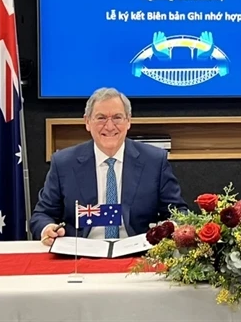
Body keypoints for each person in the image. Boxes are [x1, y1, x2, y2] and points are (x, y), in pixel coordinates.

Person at [30, 87, 188, 245]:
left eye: (117, 117)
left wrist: (167, 229)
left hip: (137, 252)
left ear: (128, 121)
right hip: (80, 252)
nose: (110, 126)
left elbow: (179, 213)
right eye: (101, 118)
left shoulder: (154, 161)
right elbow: (41, 215)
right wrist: (48, 228)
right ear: (87, 122)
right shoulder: (64, 163)